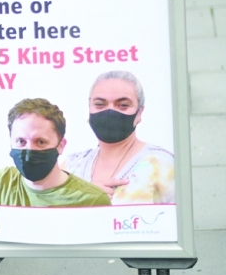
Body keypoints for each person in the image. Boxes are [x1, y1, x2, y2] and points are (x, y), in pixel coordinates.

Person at [0, 98, 110, 207]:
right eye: (21, 142)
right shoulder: (2, 182)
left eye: (40, 142)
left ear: (61, 145)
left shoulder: (92, 200)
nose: (29, 151)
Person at [63, 71, 175, 205]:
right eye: (100, 104)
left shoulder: (162, 166)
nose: (109, 111)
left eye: (123, 105)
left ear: (139, 112)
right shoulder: (71, 166)